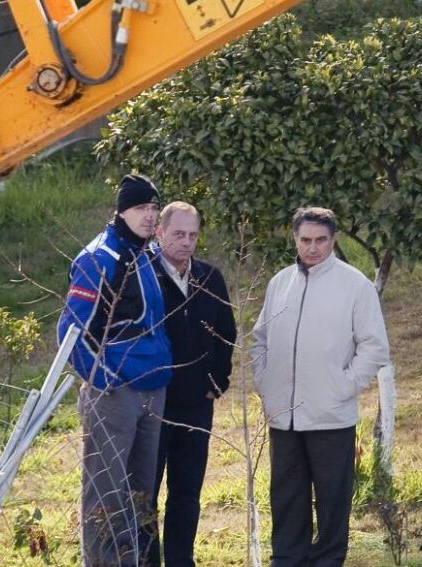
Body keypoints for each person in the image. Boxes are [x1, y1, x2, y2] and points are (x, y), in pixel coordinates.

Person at [251, 207, 391, 567]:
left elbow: (374, 347)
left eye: (321, 240)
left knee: (332, 501)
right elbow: (260, 340)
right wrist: (266, 384)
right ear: (295, 239)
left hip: (331, 416)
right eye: (305, 240)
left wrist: (342, 387)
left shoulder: (355, 285)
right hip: (284, 417)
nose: (312, 248)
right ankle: (287, 560)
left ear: (333, 239)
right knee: (286, 497)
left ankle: (328, 562)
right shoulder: (279, 282)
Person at [58, 173, 173, 567]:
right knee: (106, 491)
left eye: (154, 208)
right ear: (122, 210)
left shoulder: (149, 253)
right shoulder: (98, 257)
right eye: (141, 208)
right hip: (116, 393)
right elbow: (70, 331)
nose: (149, 215)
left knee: (143, 490)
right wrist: (106, 381)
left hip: (153, 388)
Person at [145, 201, 237, 567]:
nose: (186, 242)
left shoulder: (209, 277)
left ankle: (181, 560)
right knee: (145, 492)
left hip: (197, 404)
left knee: (186, 491)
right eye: (179, 234)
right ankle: (147, 561)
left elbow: (225, 334)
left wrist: (216, 382)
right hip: (152, 404)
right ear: (160, 233)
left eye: (193, 235)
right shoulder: (144, 275)